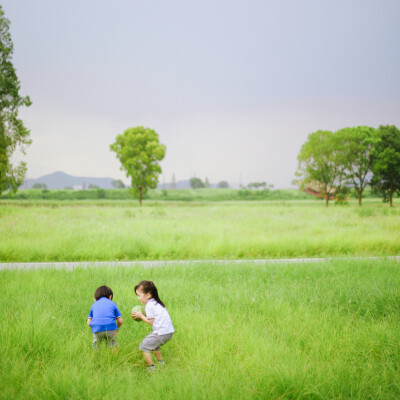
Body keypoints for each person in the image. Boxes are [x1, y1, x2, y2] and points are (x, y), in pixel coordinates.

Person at [131, 280, 174, 371]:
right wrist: (144, 315)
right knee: (154, 345)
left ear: (148, 295)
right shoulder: (156, 303)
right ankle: (161, 364)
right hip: (168, 332)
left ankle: (151, 368)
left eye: (139, 295)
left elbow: (151, 322)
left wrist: (141, 316)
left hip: (161, 332)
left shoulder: (149, 305)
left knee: (144, 346)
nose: (138, 298)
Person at [87, 286, 123, 353]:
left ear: (95, 299)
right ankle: (115, 360)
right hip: (111, 328)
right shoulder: (113, 304)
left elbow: (89, 323)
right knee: (112, 344)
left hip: (97, 328)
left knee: (96, 345)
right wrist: (116, 329)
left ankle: (97, 361)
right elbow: (120, 321)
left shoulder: (94, 305)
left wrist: (95, 327)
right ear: (110, 297)